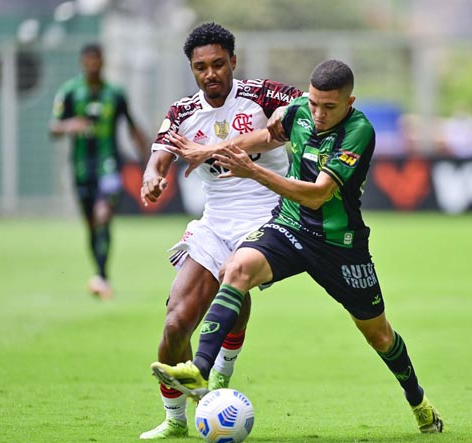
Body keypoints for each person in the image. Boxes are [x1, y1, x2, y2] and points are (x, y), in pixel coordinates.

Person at [153, 60, 444, 434]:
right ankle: (200, 370)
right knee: (235, 269)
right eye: (314, 103)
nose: (318, 114)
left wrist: (253, 171)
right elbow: (266, 136)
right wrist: (211, 150)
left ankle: (417, 400)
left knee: (379, 336)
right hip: (289, 226)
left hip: (340, 245)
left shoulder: (358, 132)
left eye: (329, 107)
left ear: (350, 102)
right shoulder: (300, 110)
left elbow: (319, 194)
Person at [139, 23, 304, 439]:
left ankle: (220, 374)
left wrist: (282, 118)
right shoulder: (182, 112)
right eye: (201, 67)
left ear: (233, 61)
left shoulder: (262, 94)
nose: (210, 73)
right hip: (215, 221)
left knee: (234, 277)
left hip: (268, 214)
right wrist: (152, 178)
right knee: (175, 325)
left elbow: (305, 107)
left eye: (218, 64)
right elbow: (160, 157)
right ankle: (176, 419)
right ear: (192, 69)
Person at [50, 43, 149, 300]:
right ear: (83, 63)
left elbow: (132, 126)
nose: (93, 65)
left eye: (97, 60)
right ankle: (101, 274)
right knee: (91, 225)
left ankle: (102, 278)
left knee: (103, 216)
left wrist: (148, 159)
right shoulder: (70, 92)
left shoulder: (115, 93)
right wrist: (70, 125)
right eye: (89, 61)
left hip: (109, 165)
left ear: (103, 62)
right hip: (81, 168)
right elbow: (53, 128)